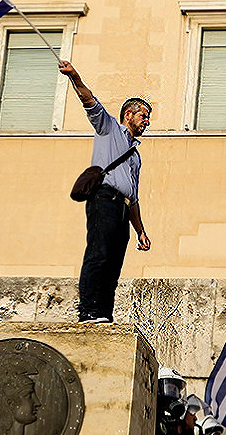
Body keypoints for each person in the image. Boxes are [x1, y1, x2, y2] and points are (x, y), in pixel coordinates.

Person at [58, 61, 151, 324]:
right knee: (98, 254)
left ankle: (103, 314)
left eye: (147, 117)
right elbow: (89, 100)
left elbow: (134, 197)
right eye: (143, 115)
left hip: (122, 208)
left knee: (113, 264)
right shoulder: (108, 128)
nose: (146, 121)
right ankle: (88, 311)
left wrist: (140, 230)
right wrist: (75, 76)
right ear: (128, 115)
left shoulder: (136, 155)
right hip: (104, 199)